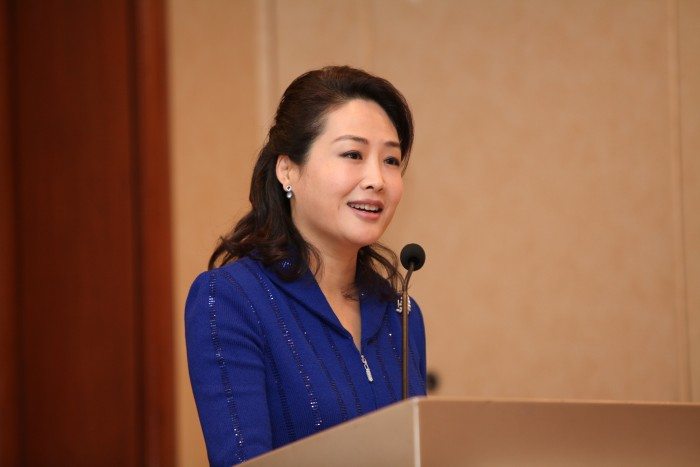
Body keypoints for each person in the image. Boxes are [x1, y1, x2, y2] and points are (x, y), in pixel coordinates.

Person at [185, 65, 426, 466]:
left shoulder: (400, 313)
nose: (377, 179)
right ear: (287, 170)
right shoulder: (229, 299)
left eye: (391, 160)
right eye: (353, 154)